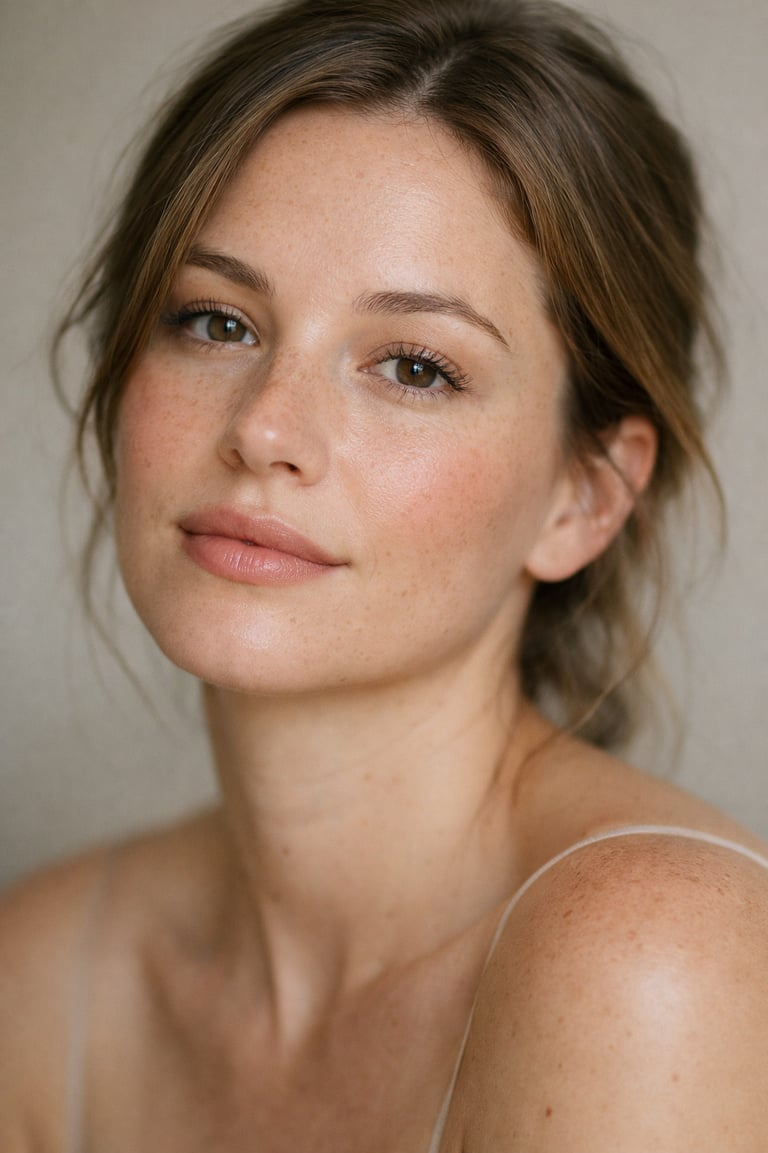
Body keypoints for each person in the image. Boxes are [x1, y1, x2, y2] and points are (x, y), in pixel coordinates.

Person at [2, 0, 767, 1148]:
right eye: (215, 321)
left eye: (414, 365)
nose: (265, 428)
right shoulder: (38, 971)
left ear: (584, 496)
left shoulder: (654, 957)